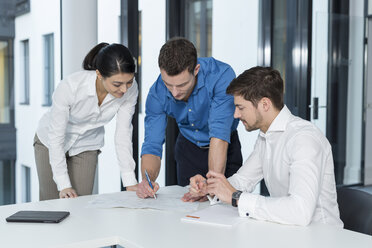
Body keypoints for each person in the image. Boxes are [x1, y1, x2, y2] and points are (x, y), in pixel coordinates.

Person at [187, 66, 343, 227]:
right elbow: (243, 180)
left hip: (320, 238)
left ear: (265, 104)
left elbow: (300, 211)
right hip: (288, 232)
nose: (235, 115)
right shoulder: (266, 136)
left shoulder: (303, 139)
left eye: (240, 107)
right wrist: (211, 187)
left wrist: (236, 197)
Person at [135, 37, 243, 199]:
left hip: (223, 147)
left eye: (182, 85)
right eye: (168, 84)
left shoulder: (221, 76)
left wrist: (212, 186)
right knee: (189, 210)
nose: (174, 93)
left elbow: (219, 134)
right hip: (188, 148)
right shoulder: (156, 93)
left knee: (224, 208)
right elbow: (152, 144)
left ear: (196, 69)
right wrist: (147, 181)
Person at [34, 43, 138, 200]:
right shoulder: (70, 87)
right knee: (51, 204)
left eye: (129, 82)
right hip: (49, 142)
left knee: (80, 203)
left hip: (87, 144)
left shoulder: (131, 90)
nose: (124, 89)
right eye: (117, 84)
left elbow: (123, 134)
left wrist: (130, 181)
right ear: (99, 74)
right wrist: (63, 185)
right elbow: (56, 137)